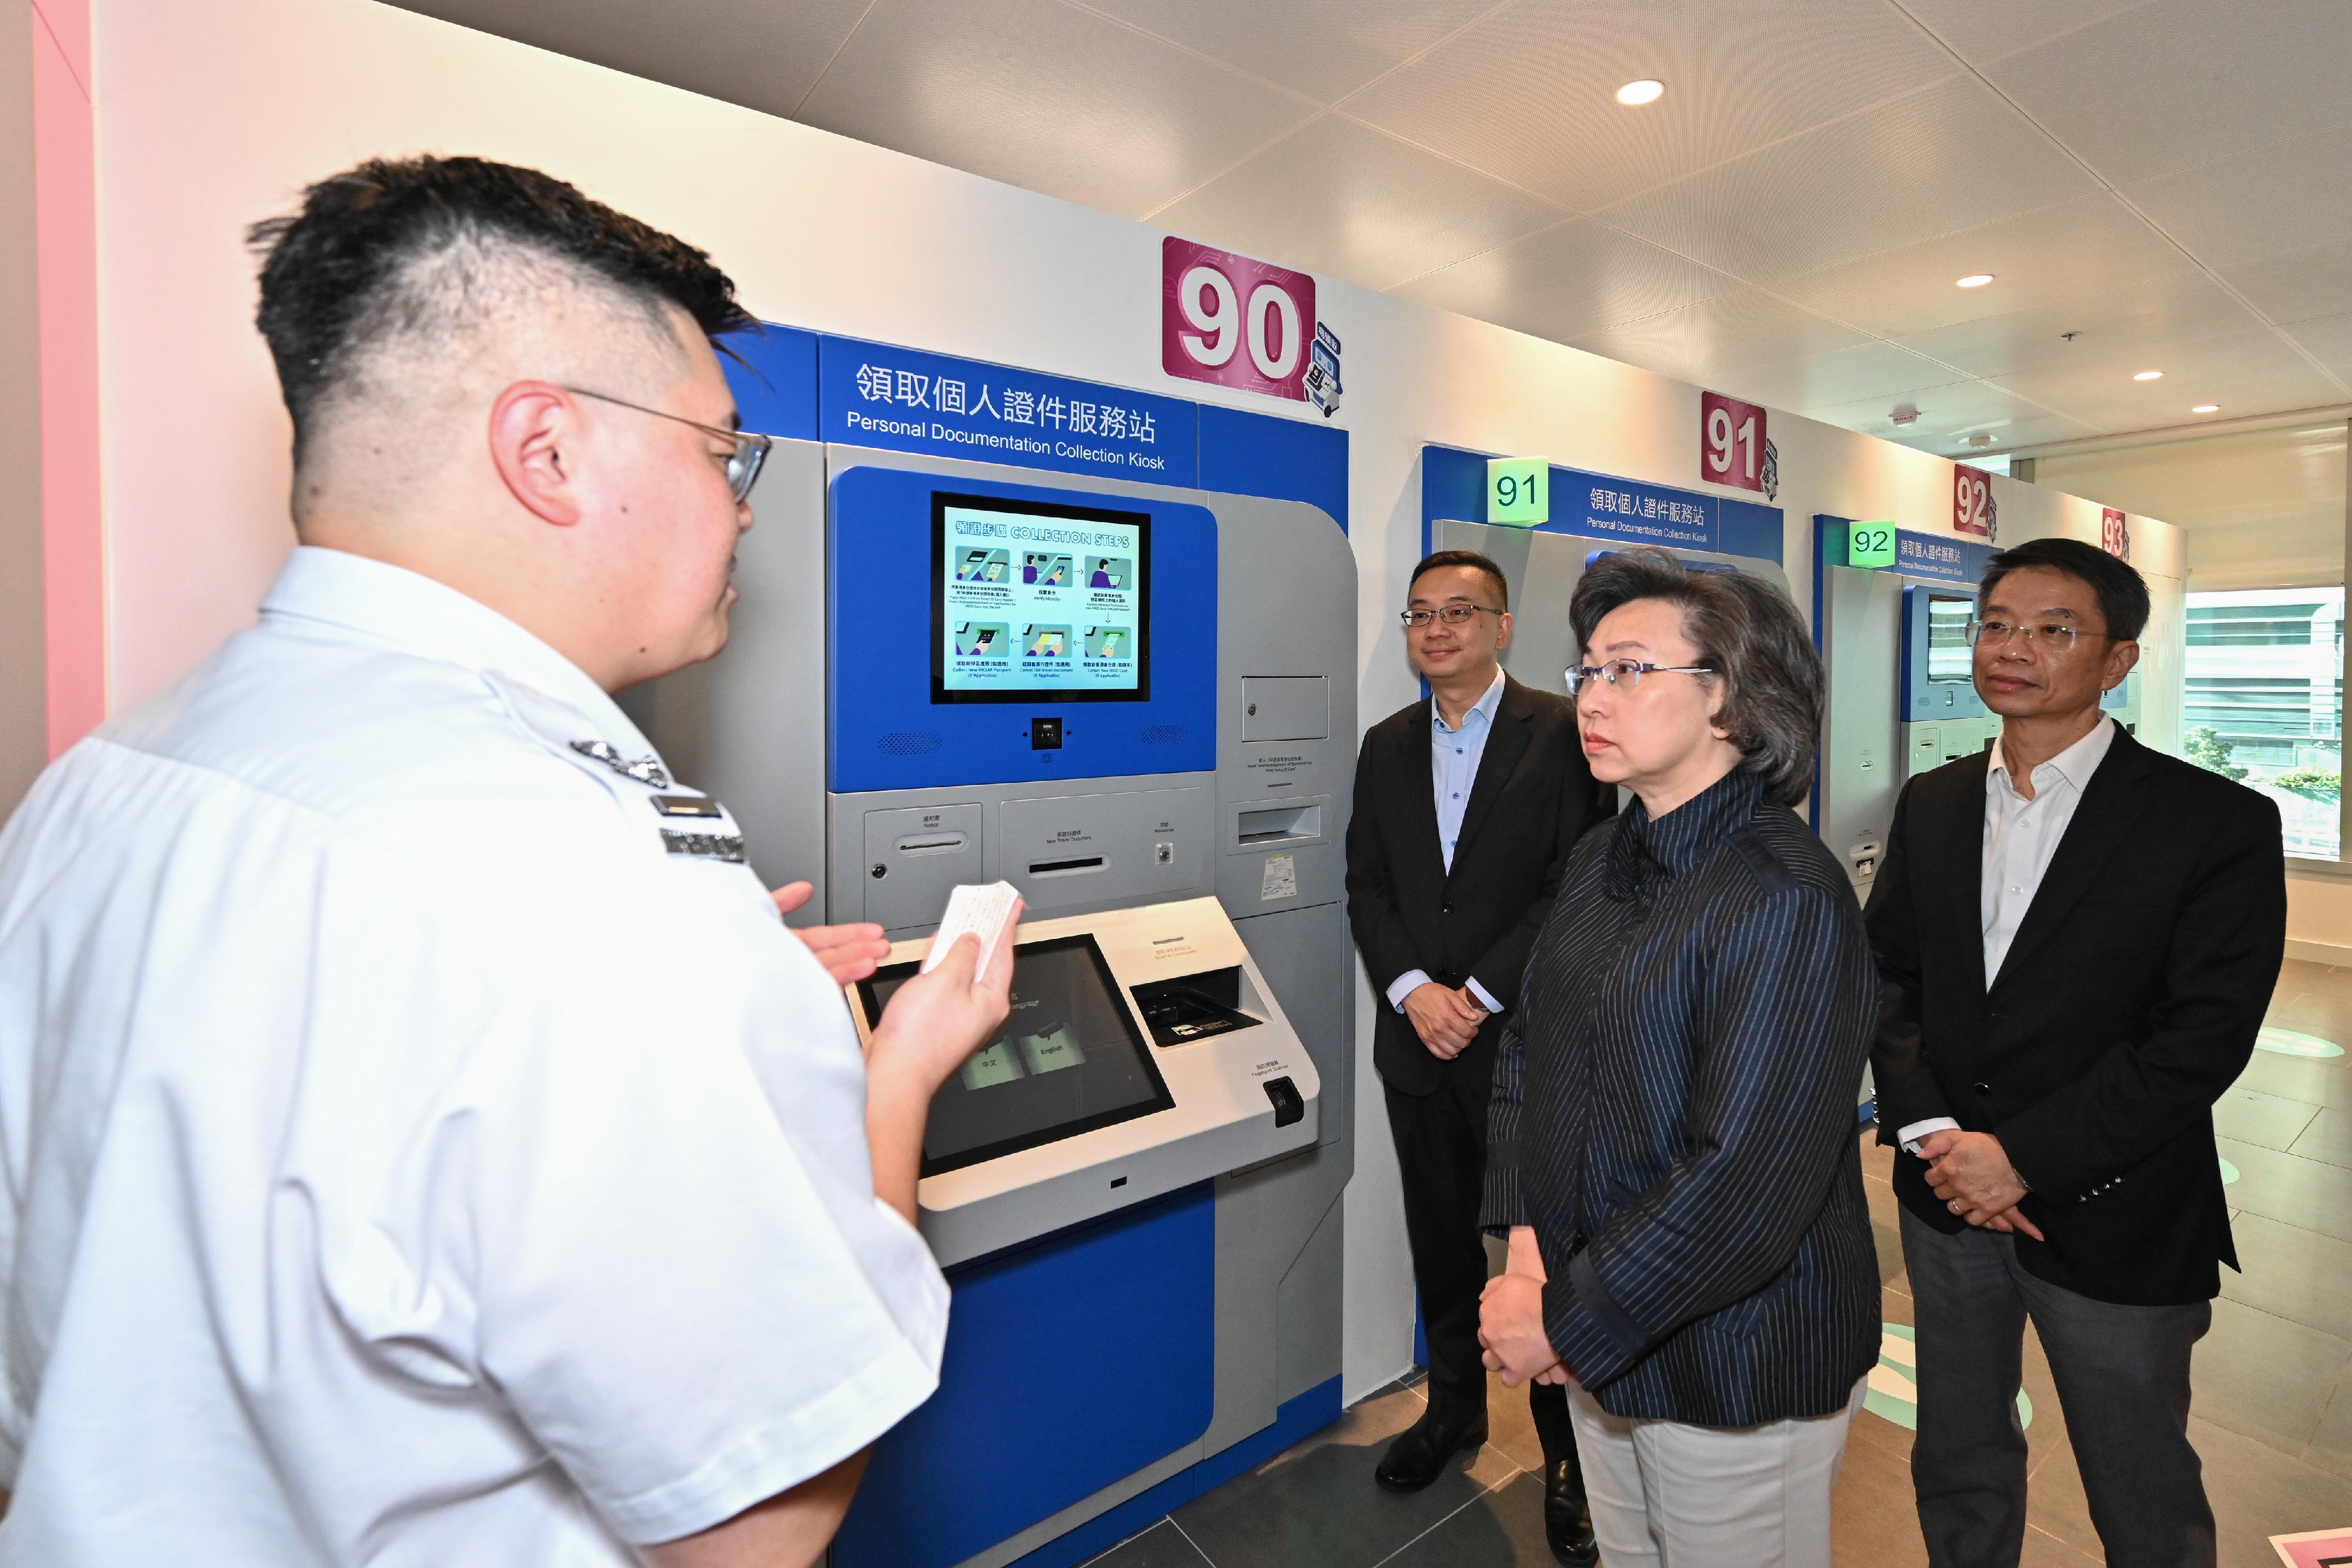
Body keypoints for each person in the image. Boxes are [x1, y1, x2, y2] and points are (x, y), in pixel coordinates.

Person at [0, 155, 1019, 1567]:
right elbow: (762, 1527)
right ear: (545, 451)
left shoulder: (98, 784)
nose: (738, 506)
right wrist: (893, 1068)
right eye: (722, 450)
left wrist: (672, 1026)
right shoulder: (594, 887)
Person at [1865, 537, 2284, 1568]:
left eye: (2056, 630)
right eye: (1998, 624)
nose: (2016, 649)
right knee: (1959, 1454)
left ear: (2118, 661)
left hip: (2118, 1209)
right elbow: (1889, 980)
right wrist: (1934, 1133)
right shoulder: (1937, 801)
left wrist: (2024, 1157)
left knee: (2138, 1479)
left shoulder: (2213, 821)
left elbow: (2201, 1040)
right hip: (1946, 1197)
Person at [1477, 547, 1879, 1568]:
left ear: (1734, 705)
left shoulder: (1782, 894)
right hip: (1605, 1332)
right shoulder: (1603, 853)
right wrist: (1527, 1255)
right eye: (1589, 670)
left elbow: (1747, 1180)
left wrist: (1562, 1322)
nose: (1593, 696)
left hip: (1735, 1355)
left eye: (1630, 669)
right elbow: (1531, 1053)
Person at [1345, 549, 1611, 1564]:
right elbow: (1368, 885)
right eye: (1421, 614)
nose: (1437, 629)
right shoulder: (1387, 743)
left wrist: (1481, 993)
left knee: (1552, 1259)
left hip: (1528, 1041)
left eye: (1460, 611)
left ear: (1503, 625)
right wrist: (1415, 992)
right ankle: (1453, 1409)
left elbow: (1572, 885)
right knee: (1445, 1244)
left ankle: (1569, 1459)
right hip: (1420, 1044)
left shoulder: (1565, 734)